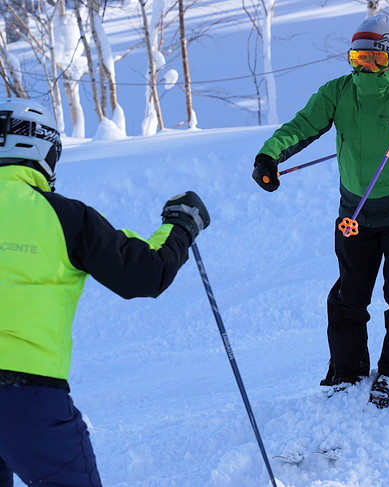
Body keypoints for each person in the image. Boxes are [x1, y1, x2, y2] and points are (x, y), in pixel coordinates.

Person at [0, 98, 210, 487]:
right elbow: (145, 273)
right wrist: (182, 226)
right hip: (27, 399)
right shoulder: (63, 216)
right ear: (43, 148)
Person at [252, 15, 389, 407]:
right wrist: (269, 156)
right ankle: (348, 369)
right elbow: (301, 126)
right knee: (348, 295)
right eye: (358, 57)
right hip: (355, 214)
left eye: (374, 58)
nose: (365, 66)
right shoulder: (339, 92)